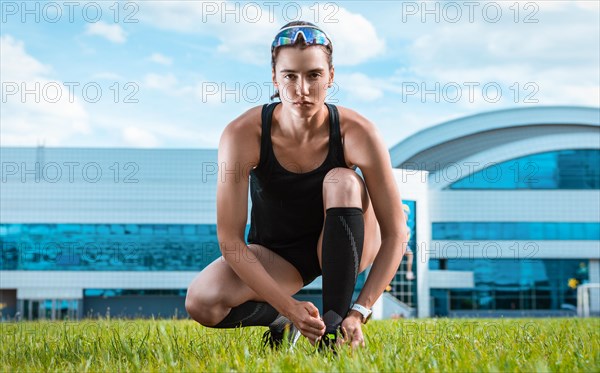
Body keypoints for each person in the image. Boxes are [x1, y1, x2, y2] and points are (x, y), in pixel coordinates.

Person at [185, 21, 408, 351]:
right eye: (290, 76)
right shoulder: (242, 134)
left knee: (342, 179)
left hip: (351, 242)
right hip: (281, 254)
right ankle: (282, 323)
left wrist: (358, 312)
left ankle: (334, 331)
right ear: (274, 78)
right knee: (202, 302)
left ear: (330, 76)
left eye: (314, 75)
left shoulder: (359, 132)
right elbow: (229, 240)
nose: (302, 89)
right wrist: (289, 308)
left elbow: (396, 233)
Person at [402, 204, 415, 281]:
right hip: (402, 244)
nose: (406, 217)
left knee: (410, 254)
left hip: (403, 244)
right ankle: (409, 273)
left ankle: (409, 273)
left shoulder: (407, 228)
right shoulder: (405, 228)